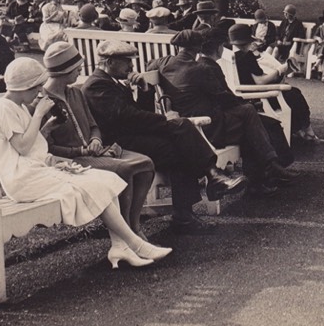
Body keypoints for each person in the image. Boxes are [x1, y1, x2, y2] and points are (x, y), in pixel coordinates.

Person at [0, 57, 170, 269]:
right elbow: (22, 147)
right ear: (24, 86)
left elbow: (29, 144)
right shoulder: (4, 108)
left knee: (106, 179)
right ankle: (136, 244)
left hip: (34, 172)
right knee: (91, 183)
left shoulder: (17, 106)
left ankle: (120, 246)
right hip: (21, 180)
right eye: (36, 87)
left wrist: (47, 130)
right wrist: (38, 114)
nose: (38, 92)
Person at [79, 40, 244, 234]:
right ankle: (209, 180)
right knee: (181, 128)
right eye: (127, 61)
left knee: (179, 146)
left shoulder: (112, 82)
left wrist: (144, 90)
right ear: (109, 62)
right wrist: (165, 123)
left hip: (132, 136)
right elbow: (127, 117)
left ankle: (192, 206)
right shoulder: (97, 85)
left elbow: (138, 112)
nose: (132, 66)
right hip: (117, 143)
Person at [157, 32, 297, 196]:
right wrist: (247, 104)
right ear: (197, 48)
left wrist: (134, 76)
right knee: (249, 114)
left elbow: (150, 64)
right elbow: (222, 97)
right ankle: (268, 166)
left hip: (189, 123)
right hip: (207, 127)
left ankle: (265, 173)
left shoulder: (165, 63)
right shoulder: (200, 69)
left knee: (249, 120)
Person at [40, 42, 156, 238]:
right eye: (76, 68)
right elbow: (48, 147)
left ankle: (133, 226)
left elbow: (94, 126)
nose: (79, 71)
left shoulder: (75, 92)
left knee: (146, 163)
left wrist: (95, 139)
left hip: (94, 152)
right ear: (64, 70)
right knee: (125, 168)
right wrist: (80, 151)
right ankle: (126, 234)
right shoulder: (43, 101)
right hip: (68, 162)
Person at [228, 24, 321, 142]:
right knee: (294, 94)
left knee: (290, 92)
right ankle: (307, 131)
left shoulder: (234, 56)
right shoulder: (247, 56)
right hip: (256, 98)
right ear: (248, 41)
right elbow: (260, 81)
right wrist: (280, 70)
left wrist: (277, 75)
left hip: (243, 93)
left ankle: (298, 129)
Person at [272, 4, 307, 76]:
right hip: (282, 45)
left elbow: (301, 36)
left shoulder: (298, 24)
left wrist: (290, 42)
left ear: (291, 14)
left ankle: (287, 72)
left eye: (286, 13)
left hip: (291, 46)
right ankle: (272, 69)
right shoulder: (284, 22)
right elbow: (278, 33)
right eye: (284, 13)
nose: (285, 14)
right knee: (276, 49)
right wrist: (278, 40)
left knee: (290, 51)